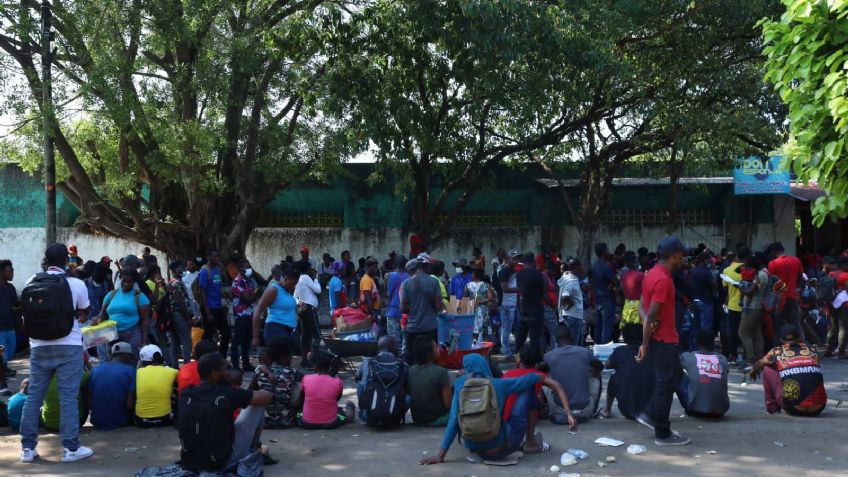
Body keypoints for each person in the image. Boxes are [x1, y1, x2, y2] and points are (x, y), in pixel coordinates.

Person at [419, 354, 575, 465]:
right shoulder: (499, 384)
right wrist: (568, 413)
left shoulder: (460, 385)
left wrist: (440, 455)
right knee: (527, 389)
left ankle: (483, 442)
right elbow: (543, 381)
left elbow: (454, 420)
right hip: (501, 449)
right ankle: (531, 443)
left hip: (475, 449)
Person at [20, 243, 93, 463]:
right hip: (68, 344)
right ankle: (71, 449)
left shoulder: (31, 281)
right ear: (66, 261)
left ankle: (27, 449)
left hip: (38, 345)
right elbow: (83, 311)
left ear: (46, 260)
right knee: (68, 397)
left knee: (34, 397)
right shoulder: (76, 283)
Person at [634, 236, 691, 446]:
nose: (683, 258)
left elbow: (642, 308)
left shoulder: (651, 275)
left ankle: (650, 414)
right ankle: (662, 433)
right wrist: (645, 343)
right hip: (664, 340)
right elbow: (650, 315)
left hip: (662, 338)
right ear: (674, 256)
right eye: (681, 255)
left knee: (674, 376)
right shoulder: (664, 281)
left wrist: (648, 325)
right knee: (666, 385)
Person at [178, 352, 273, 474]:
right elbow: (267, 397)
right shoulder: (226, 393)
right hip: (220, 463)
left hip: (189, 461)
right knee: (257, 405)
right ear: (214, 374)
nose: (228, 372)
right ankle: (254, 449)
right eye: (225, 369)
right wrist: (255, 381)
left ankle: (253, 448)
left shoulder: (187, 392)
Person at [749, 324, 827, 416]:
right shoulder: (812, 350)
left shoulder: (776, 351)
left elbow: (760, 363)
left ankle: (772, 409)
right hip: (818, 408)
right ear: (799, 337)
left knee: (767, 369)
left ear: (781, 339)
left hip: (794, 408)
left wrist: (754, 369)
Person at [504, 345, 576, 430]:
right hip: (529, 418)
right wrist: (569, 414)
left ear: (519, 360)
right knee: (535, 389)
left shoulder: (508, 375)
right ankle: (531, 438)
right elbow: (558, 387)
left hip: (507, 419)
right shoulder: (538, 375)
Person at [543, 326, 602, 423]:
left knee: (545, 376)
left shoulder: (549, 356)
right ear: (572, 338)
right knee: (596, 375)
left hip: (558, 409)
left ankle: (546, 410)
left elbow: (539, 371)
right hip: (585, 410)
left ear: (556, 341)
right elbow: (600, 367)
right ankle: (592, 411)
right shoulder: (585, 352)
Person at [91, 269, 150, 358]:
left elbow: (145, 321)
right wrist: (97, 319)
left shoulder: (140, 297)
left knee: (130, 361)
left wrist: (144, 341)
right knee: (110, 360)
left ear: (134, 282)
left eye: (129, 282)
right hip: (110, 334)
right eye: (124, 281)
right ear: (120, 279)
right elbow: (103, 315)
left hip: (131, 334)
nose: (126, 284)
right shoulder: (111, 295)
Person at [603, 323, 655, 419]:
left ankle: (607, 410)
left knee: (614, 378)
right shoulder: (653, 350)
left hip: (628, 411)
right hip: (653, 410)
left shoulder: (620, 351)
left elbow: (607, 365)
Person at [251, 335, 302, 428]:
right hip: (287, 421)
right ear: (284, 356)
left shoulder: (259, 372)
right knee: (302, 387)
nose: (291, 358)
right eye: (290, 355)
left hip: (264, 422)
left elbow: (248, 394)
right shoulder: (294, 373)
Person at [356, 336, 408, 427]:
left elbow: (357, 377)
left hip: (369, 418)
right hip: (394, 420)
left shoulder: (367, 362)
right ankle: (395, 415)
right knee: (408, 395)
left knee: (361, 385)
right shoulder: (403, 364)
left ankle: (365, 413)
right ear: (392, 347)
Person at [400, 257, 444, 365]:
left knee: (411, 359)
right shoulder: (434, 282)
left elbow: (402, 308)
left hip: (412, 328)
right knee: (431, 358)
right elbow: (438, 306)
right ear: (426, 267)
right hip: (430, 327)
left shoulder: (406, 283)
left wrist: (414, 308)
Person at [295, 350, 355, 429]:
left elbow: (300, 399)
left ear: (315, 365)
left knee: (298, 413)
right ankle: (350, 412)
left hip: (307, 423)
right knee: (341, 414)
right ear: (330, 367)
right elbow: (336, 399)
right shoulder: (337, 382)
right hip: (331, 423)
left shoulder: (306, 379)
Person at [679, 329, 729, 418]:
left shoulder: (688, 357)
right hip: (721, 410)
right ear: (713, 343)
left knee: (677, 373)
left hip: (694, 409)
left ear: (696, 341)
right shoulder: (722, 359)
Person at [88, 342, 136, 430]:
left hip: (96, 421)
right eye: (130, 356)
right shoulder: (131, 371)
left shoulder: (94, 370)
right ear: (125, 355)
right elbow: (129, 404)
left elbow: (90, 402)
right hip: (120, 421)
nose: (131, 359)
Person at [408, 335, 451, 426]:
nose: (438, 348)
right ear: (429, 353)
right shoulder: (441, 372)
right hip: (436, 419)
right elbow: (448, 404)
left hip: (417, 419)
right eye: (435, 347)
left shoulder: (411, 370)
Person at [252, 267, 299, 349]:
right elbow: (258, 311)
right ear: (286, 279)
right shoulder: (273, 290)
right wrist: (255, 337)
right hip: (275, 330)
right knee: (281, 359)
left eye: (295, 285)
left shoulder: (287, 291)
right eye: (292, 284)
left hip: (287, 331)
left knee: (285, 360)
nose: (293, 287)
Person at [767, 242, 806, 341]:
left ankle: (778, 350)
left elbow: (772, 283)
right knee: (796, 325)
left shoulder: (772, 264)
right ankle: (801, 350)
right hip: (793, 297)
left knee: (778, 326)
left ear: (774, 252)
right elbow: (801, 280)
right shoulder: (796, 261)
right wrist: (798, 293)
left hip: (779, 300)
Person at [515, 253, 554, 352]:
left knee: (520, 338)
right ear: (533, 261)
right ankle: (534, 362)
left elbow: (521, 291)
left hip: (522, 310)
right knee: (535, 339)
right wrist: (553, 306)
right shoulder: (538, 274)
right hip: (535, 311)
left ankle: (519, 358)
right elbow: (544, 293)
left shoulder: (519, 275)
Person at [134, 344, 178, 427]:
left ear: (142, 361)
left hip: (140, 421)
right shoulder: (172, 372)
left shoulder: (138, 372)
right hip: (165, 420)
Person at [42, 355, 89, 432]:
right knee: (86, 387)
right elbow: (92, 380)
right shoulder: (79, 373)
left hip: (48, 424)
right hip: (74, 424)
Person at [198, 249, 230, 360]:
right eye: (215, 256)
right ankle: (203, 359)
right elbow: (203, 292)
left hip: (218, 307)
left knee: (226, 333)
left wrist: (224, 295)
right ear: (209, 257)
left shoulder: (218, 269)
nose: (218, 258)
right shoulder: (204, 271)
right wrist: (207, 313)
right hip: (209, 308)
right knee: (208, 336)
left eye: (218, 256)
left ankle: (222, 358)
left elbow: (217, 288)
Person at [739, 252, 768, 370]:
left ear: (759, 261)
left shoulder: (759, 275)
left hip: (752, 307)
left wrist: (740, 287)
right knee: (757, 333)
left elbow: (750, 291)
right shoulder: (765, 272)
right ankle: (758, 358)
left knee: (743, 333)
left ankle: (751, 361)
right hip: (759, 306)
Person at [231, 259, 260, 371]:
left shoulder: (247, 281)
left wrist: (254, 294)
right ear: (240, 269)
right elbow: (249, 298)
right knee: (237, 341)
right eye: (247, 267)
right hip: (241, 315)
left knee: (246, 341)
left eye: (249, 266)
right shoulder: (238, 282)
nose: (249, 269)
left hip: (249, 315)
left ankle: (246, 363)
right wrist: (256, 293)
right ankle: (235, 365)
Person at [167, 260, 195, 368]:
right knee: (186, 341)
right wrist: (188, 318)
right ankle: (187, 366)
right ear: (174, 270)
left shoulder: (173, 282)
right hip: (179, 316)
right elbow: (179, 301)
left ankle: (174, 367)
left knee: (175, 342)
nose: (183, 269)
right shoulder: (176, 283)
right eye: (180, 267)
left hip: (175, 316)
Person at [294, 262, 322, 368]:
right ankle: (313, 359)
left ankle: (304, 360)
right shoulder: (306, 278)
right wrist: (315, 278)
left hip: (302, 308)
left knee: (305, 336)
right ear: (307, 269)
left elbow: (294, 296)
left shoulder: (298, 279)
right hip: (309, 308)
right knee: (317, 336)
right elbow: (318, 290)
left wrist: (298, 302)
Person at [688, 252, 717, 350]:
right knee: (706, 327)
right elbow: (714, 285)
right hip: (706, 301)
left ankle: (693, 347)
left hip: (695, 301)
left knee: (695, 326)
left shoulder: (692, 271)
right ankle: (704, 349)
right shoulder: (706, 272)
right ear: (706, 260)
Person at [592, 242, 618, 344]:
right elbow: (615, 281)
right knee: (607, 327)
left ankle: (597, 348)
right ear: (604, 252)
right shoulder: (605, 267)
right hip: (607, 300)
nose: (609, 252)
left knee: (599, 326)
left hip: (598, 300)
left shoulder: (594, 265)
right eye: (608, 250)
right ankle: (604, 350)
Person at [497, 251, 522, 360]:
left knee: (518, 328)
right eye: (514, 258)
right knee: (506, 329)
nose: (516, 261)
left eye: (517, 258)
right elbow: (504, 288)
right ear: (508, 259)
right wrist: (519, 290)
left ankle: (517, 352)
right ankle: (507, 353)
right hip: (506, 305)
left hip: (514, 304)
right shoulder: (504, 271)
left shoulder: (514, 270)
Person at [722, 251, 744, 363]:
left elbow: (725, 291)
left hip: (732, 306)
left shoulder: (726, 271)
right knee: (746, 332)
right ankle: (746, 355)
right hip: (746, 306)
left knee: (732, 332)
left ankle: (733, 356)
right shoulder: (749, 270)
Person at [0, 259, 19, 392]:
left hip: (10, 328)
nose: (12, 273)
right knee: (1, 357)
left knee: (9, 354)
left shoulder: (11, 288)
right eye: (10, 270)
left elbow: (14, 305)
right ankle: (3, 385)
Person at [558, 258, 585, 347]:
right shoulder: (571, 281)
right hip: (573, 316)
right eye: (581, 267)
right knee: (573, 345)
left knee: (569, 343)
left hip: (569, 315)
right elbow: (565, 295)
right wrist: (571, 304)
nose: (583, 269)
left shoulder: (566, 277)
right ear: (576, 268)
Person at [464, 268, 494, 344]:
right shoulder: (486, 285)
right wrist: (481, 301)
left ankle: (475, 350)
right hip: (484, 312)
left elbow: (464, 298)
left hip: (472, 311)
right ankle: (486, 353)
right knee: (485, 333)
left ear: (475, 275)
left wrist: (473, 302)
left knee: (474, 333)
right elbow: (490, 297)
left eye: (472, 273)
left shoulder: (468, 285)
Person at [385, 255, 410, 345]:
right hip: (406, 313)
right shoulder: (410, 277)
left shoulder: (388, 276)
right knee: (406, 342)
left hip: (392, 311)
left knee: (394, 343)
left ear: (394, 265)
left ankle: (395, 358)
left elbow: (387, 292)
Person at [619, 252, 644, 327]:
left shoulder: (623, 276)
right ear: (633, 262)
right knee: (639, 330)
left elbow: (622, 290)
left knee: (628, 328)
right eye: (636, 260)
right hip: (639, 306)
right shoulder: (641, 275)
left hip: (627, 305)